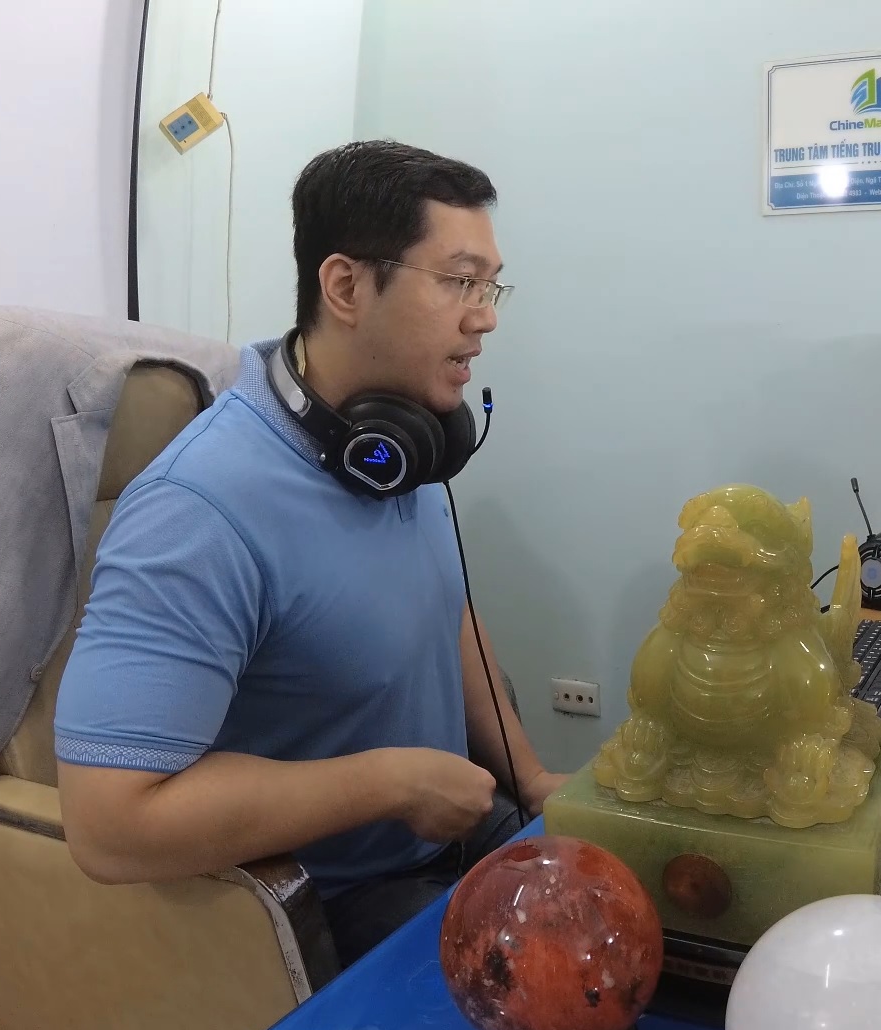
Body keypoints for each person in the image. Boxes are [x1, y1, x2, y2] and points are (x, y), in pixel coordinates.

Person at [52, 140, 567, 964]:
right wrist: (392, 783)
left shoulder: (400, 446)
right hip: (328, 904)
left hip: (459, 835)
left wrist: (532, 778)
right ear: (346, 287)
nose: (485, 316)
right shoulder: (199, 508)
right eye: (458, 281)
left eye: (489, 285)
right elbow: (109, 826)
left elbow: (446, 614)